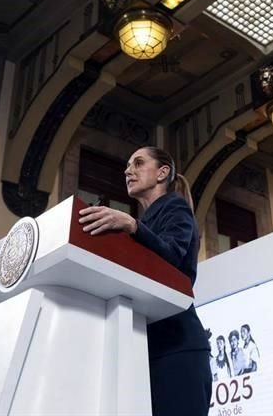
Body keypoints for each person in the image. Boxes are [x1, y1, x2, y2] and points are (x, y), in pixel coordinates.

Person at [78, 146, 212, 416]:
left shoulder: (174, 207)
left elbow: (172, 257)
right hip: (147, 348)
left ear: (162, 173)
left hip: (178, 347)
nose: (128, 171)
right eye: (127, 166)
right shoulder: (144, 221)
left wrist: (133, 226)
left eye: (138, 163)